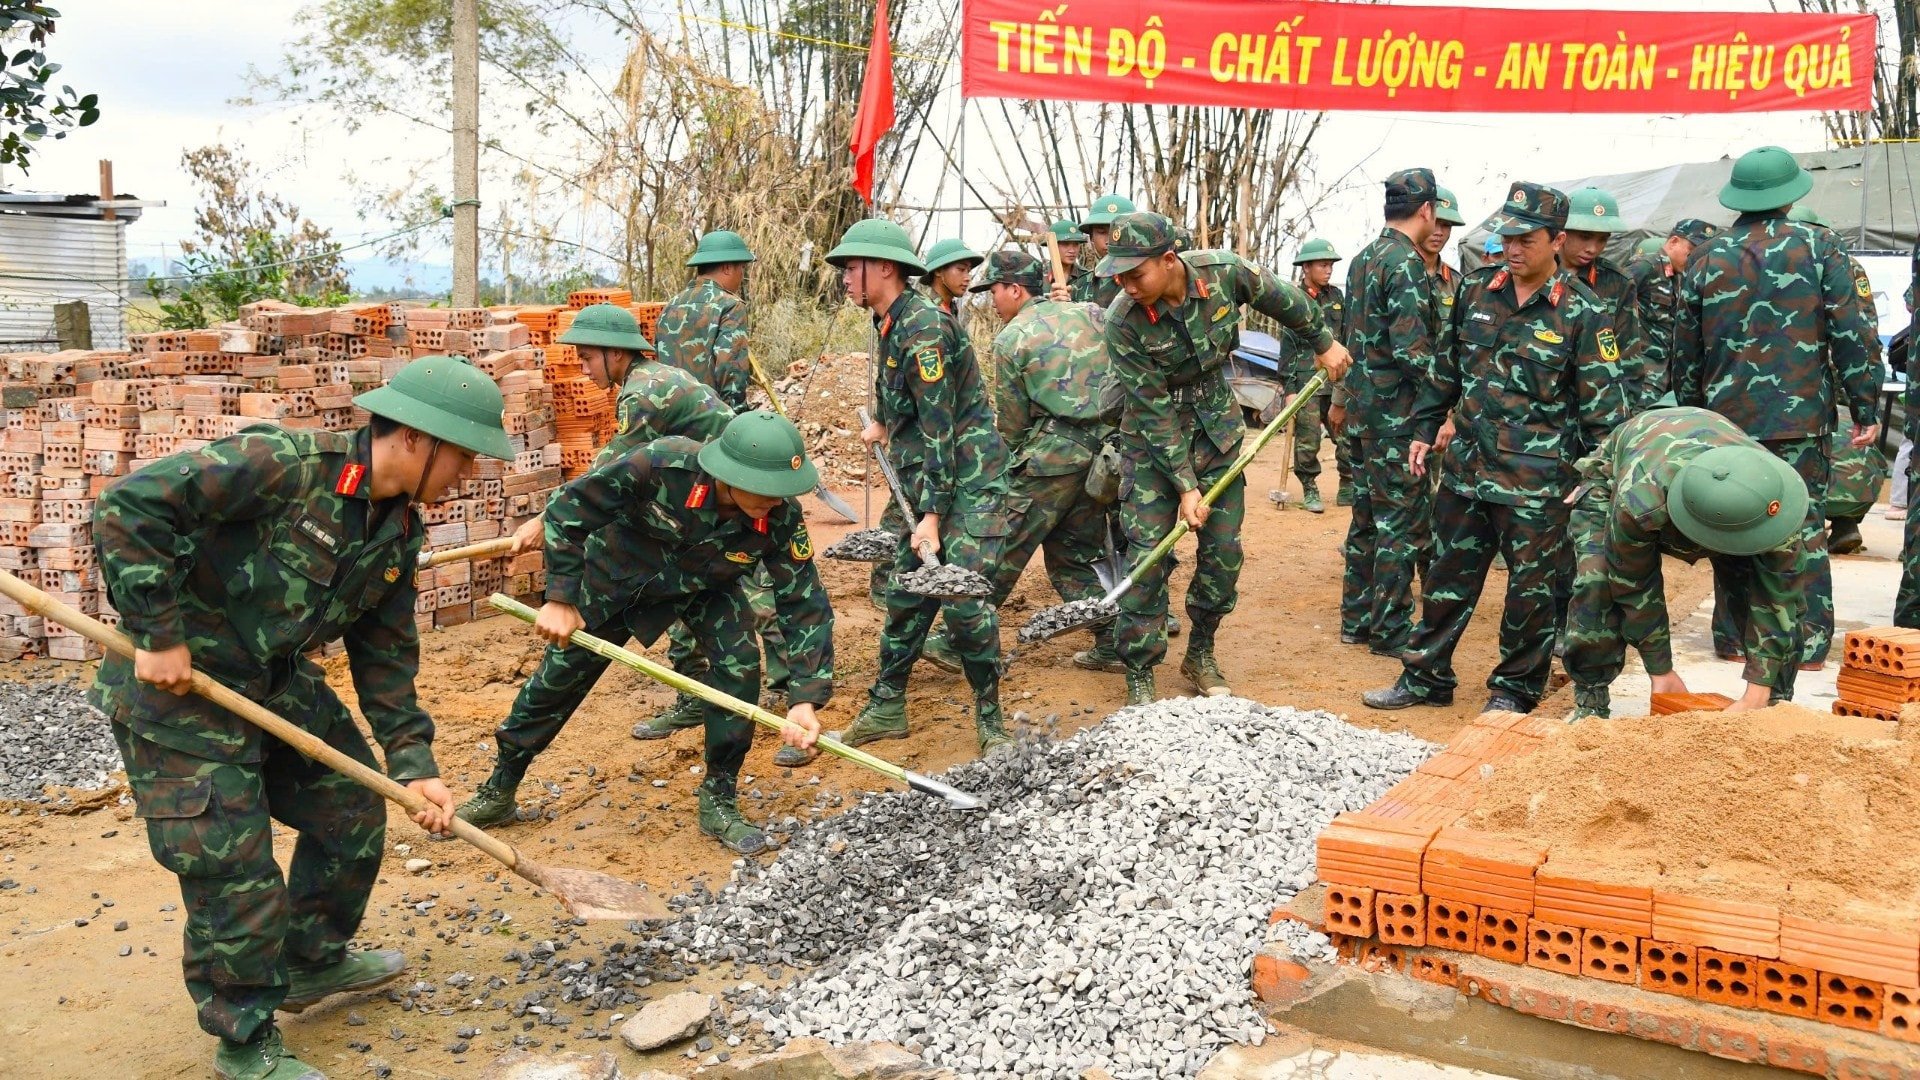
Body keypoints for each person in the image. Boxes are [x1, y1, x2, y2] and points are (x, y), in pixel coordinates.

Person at [92, 356, 515, 1080]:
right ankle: (244, 1038)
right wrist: (158, 632)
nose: (467, 475)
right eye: (464, 456)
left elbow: (385, 659)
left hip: (270, 683)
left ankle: (311, 959)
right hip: (179, 694)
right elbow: (128, 508)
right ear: (417, 440)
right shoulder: (282, 465)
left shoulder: (397, 531)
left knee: (353, 806)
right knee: (234, 868)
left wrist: (416, 768)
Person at [457, 412, 830, 854]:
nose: (776, 500)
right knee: (556, 682)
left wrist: (804, 697)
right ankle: (500, 787)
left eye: (783, 492)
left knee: (741, 668)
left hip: (702, 588)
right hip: (614, 580)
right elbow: (567, 512)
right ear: (729, 472)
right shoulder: (658, 466)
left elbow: (803, 602)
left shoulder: (780, 516)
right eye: (765, 490)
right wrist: (559, 598)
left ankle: (719, 799)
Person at [1363, 182, 1626, 713]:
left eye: (1526, 238)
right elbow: (1445, 370)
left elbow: (1604, 410)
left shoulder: (1584, 312)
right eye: (1508, 236)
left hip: (1537, 483)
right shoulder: (1476, 292)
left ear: (1556, 240)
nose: (1513, 248)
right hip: (1466, 471)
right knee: (1444, 581)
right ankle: (1425, 679)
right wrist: (1424, 427)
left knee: (1530, 595)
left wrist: (1596, 481)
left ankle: (1513, 690)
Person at [1099, 211, 1352, 704]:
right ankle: (1140, 668)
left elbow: (1286, 299)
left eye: (1135, 274)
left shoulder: (1224, 273)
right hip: (1153, 446)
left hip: (1218, 431)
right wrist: (1185, 486)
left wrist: (1323, 341)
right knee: (1148, 555)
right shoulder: (1121, 322)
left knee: (1222, 555)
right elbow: (1151, 409)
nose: (1126, 286)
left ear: (1169, 259)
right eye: (1119, 276)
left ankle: (1200, 651)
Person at [1674, 145, 1880, 687]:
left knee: (1729, 518)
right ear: (1791, 196)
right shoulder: (1819, 246)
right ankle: (1806, 644)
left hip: (1726, 423)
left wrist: (1696, 415)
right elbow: (1852, 333)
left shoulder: (1705, 256)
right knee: (1803, 525)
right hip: (1800, 420)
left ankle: (1734, 638)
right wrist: (1864, 406)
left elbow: (1685, 349)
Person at [827, 219, 1012, 753]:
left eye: (851, 267)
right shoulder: (889, 321)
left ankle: (990, 720)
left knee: (962, 599)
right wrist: (884, 423)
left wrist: (930, 517)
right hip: (925, 478)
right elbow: (904, 399)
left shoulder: (925, 328)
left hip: (968, 480)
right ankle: (886, 706)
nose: (844, 277)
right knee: (905, 594)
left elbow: (940, 429)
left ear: (884, 268)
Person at [921, 251, 1119, 672]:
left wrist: (1001, 470)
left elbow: (1012, 424)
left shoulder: (1012, 339)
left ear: (1015, 288)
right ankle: (1114, 641)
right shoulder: (1093, 314)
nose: (991, 301)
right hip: (1105, 458)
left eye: (993, 290)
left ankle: (961, 640)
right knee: (1074, 554)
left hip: (1049, 461)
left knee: (1001, 548)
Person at [1563, 407, 1810, 719]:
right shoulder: (1639, 503)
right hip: (1618, 476)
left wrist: (1759, 686)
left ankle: (1773, 705)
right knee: (1597, 581)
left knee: (1767, 597)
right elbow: (1634, 585)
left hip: (1728, 487)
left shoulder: (1775, 502)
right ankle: (1590, 702)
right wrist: (1660, 670)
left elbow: (1779, 599)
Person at [1340, 168, 1441, 659]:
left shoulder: (1362, 259)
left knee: (1365, 519)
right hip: (1396, 419)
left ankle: (1356, 620)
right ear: (1427, 210)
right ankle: (1390, 629)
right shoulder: (1405, 264)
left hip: (1362, 414)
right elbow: (1411, 349)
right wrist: (1446, 395)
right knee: (1397, 524)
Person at [1281, 237, 1349, 513]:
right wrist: (1289, 390)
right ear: (1306, 267)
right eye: (1323, 265)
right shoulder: (1292, 299)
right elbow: (1286, 346)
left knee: (1344, 435)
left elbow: (1344, 337)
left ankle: (1347, 484)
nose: (1329, 269)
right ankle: (1309, 488)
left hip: (1335, 380)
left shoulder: (1337, 297)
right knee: (1307, 440)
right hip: (1306, 380)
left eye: (1330, 265)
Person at [655, 229, 756, 410]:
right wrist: (736, 417)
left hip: (671, 417)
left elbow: (660, 362)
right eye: (741, 267)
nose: (742, 275)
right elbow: (731, 369)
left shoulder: (670, 306)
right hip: (711, 418)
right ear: (727, 268)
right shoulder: (730, 305)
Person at [1623, 219, 1718, 410]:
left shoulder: (1680, 277)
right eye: (1691, 252)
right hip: (1641, 375)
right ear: (1674, 241)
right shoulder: (1645, 267)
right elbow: (1610, 306)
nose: (1694, 259)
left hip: (1667, 376)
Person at [1075, 193, 1136, 307]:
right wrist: (1061, 306)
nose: (1110, 240)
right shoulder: (1079, 287)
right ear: (1091, 237)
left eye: (1117, 231)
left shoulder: (1148, 281)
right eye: (1101, 232)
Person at [922, 238, 984, 320]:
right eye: (961, 269)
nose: (968, 278)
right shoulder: (925, 312)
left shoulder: (950, 309)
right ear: (938, 270)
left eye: (968, 271)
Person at [1049, 218, 1093, 297]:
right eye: (1065, 244)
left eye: (1076, 244)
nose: (1072, 250)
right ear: (1052, 246)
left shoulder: (1088, 277)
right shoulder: (1039, 277)